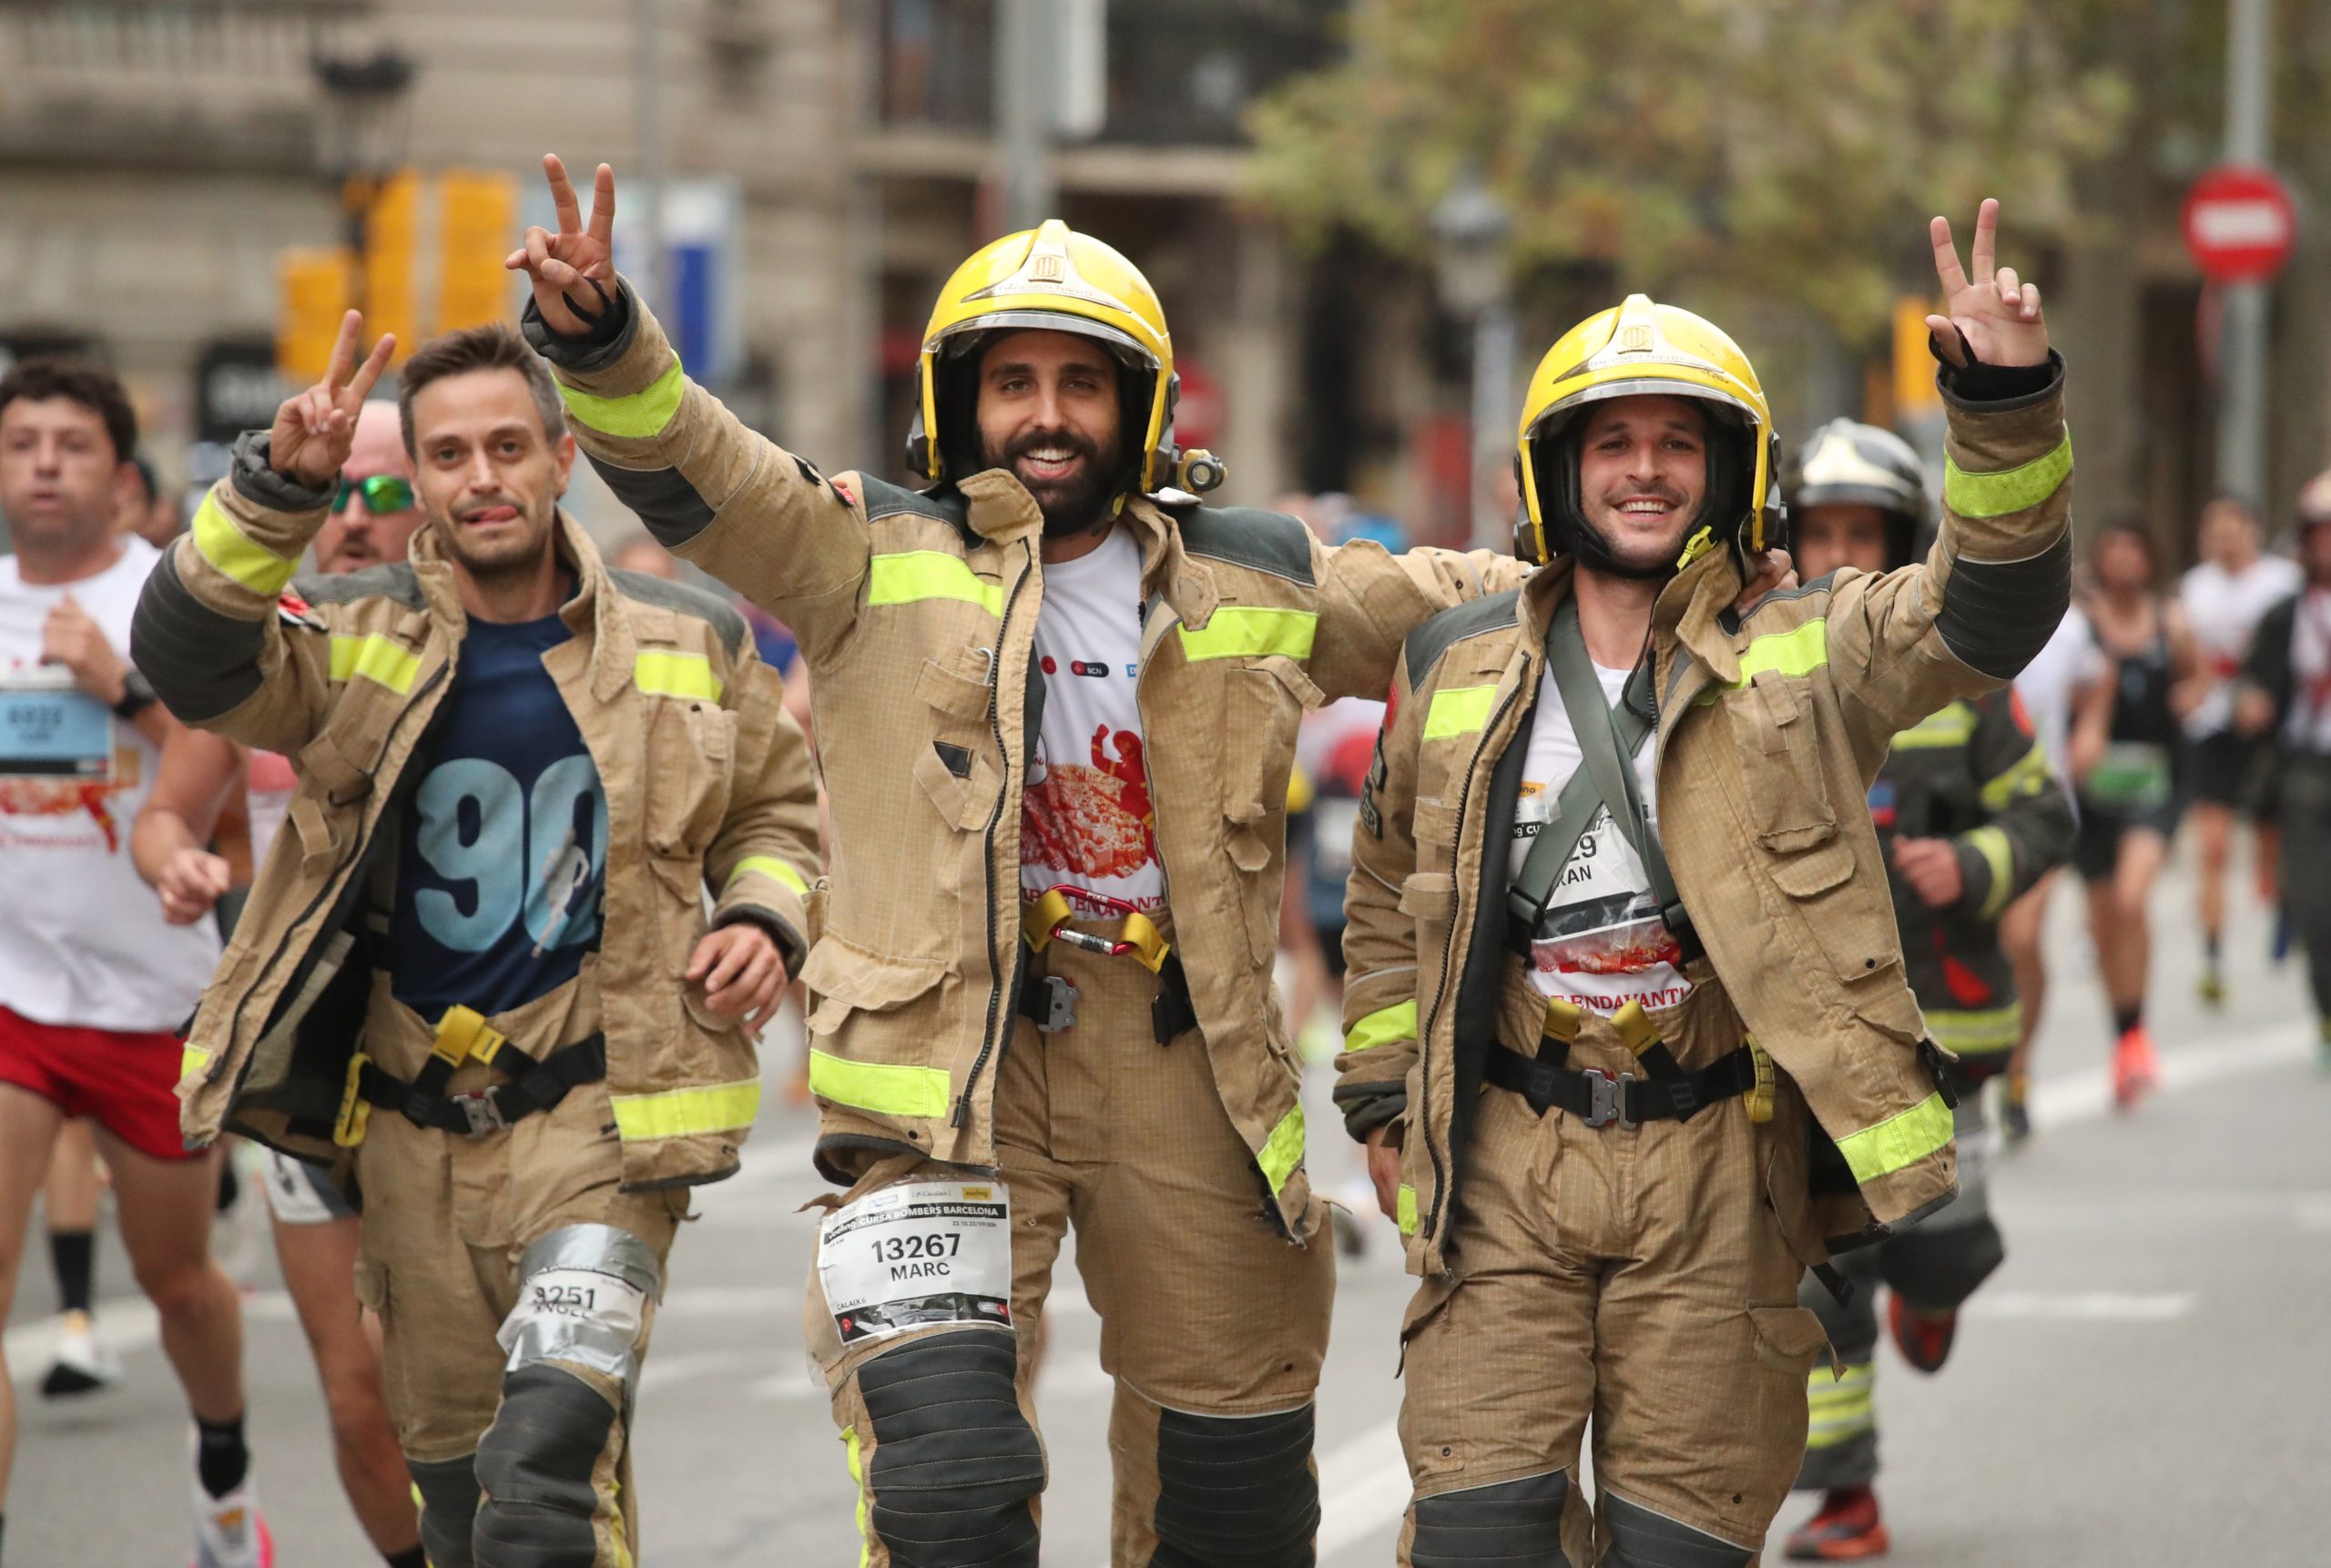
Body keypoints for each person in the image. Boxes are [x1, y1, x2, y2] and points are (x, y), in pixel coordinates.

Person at [509, 154, 1544, 1566]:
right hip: (950, 1074)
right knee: (950, 1492)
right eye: (1014, 383)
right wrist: (601, 339)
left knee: (1232, 1512)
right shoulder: (862, 549)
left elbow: (1469, 602)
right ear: (960, 403)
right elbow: (705, 469)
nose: (1047, 416)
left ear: (1141, 407)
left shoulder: (1255, 571)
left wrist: (1634, 542)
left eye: (1082, 383)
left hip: (1192, 1069)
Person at [1335, 200, 2069, 1566]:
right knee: (1477, 1540)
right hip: (1507, 1160)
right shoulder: (1456, 665)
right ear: (1557, 467)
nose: (1646, 470)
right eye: (1613, 442)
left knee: (1682, 1549)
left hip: (1720, 1168)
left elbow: (1990, 612)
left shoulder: (1812, 648)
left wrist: (2005, 404)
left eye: (1680, 442)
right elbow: (1385, 888)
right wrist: (1384, 1097)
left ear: (1732, 470)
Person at [133, 315, 822, 1568]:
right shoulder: (350, 634)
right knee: (462, 1512)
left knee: (547, 1459)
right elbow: (185, 657)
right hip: (412, 1140)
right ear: (426, 483)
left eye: (509, 445)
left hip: (607, 1128)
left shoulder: (691, 636)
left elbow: (777, 810)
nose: (481, 476)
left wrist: (764, 913)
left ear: (565, 459)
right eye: (448, 456)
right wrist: (275, 488)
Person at [134, 399, 430, 1568]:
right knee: (359, 1406)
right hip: (313, 1078)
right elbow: (162, 811)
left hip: (480, 1074)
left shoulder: (500, 642)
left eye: (388, 493)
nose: (355, 522)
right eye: (339, 494)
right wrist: (178, 863)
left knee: (504, 1401)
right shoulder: (270, 648)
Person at [1779, 420, 2073, 1560]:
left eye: (1867, 533)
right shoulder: (1762, 682)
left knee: (1939, 1251)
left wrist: (1974, 865)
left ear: (1905, 543)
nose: (1843, 555)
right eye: (1822, 532)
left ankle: (1937, 1290)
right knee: (1827, 1278)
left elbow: (2049, 816)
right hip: (1820, 1044)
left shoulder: (1969, 685)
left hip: (1953, 1037)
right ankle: (1846, 1496)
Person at [0, 357, 267, 1568]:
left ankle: (222, 1457)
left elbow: (231, 775)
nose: (44, 462)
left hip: (151, 1004)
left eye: (70, 444)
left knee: (178, 1284)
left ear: (120, 476)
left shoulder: (165, 598)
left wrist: (121, 687)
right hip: (14, 1000)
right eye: (22, 443)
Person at [2067, 517, 2199, 1108]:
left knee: (2131, 898)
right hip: (2094, 789)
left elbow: (2199, 678)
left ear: (2150, 558)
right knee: (2103, 921)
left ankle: (2137, 1034)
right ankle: (2125, 1035)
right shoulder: (2079, 627)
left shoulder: (2171, 622)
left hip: (2153, 781)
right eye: (2112, 546)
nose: (2123, 558)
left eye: (2133, 547)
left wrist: (2186, 699)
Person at [2178, 494, 2301, 1003]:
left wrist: (2266, 695)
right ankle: (2212, 956)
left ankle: (2285, 907)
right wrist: (2191, 688)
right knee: (2213, 847)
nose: (2224, 538)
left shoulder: (2282, 582)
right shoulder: (2194, 588)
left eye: (2233, 528)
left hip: (2270, 728)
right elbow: (2187, 660)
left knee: (2272, 844)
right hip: (2214, 728)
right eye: (2214, 530)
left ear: (2251, 529)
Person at [2235, 470, 2331, 1070]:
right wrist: (2252, 702)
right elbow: (2257, 684)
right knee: (2314, 904)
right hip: (2305, 772)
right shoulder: (2284, 615)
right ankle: (2326, 1009)